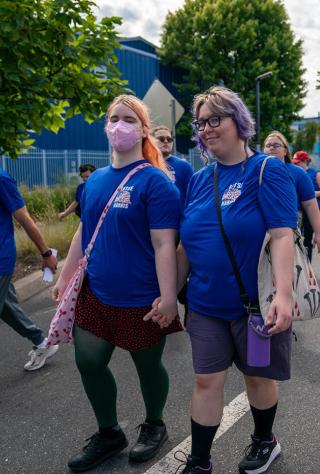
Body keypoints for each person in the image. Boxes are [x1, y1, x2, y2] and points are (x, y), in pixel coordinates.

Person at [166, 86, 297, 474]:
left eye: (215, 119)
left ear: (239, 122)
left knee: (257, 377)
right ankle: (200, 462)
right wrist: (168, 295)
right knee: (207, 380)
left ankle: (264, 441)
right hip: (205, 305)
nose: (206, 128)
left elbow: (282, 234)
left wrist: (285, 295)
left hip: (253, 307)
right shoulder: (199, 180)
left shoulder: (266, 171)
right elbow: (185, 247)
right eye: (200, 122)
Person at [53, 95, 182, 472]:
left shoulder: (156, 182)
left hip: (142, 299)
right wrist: (64, 276)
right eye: (114, 118)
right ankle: (109, 433)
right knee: (88, 362)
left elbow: (164, 244)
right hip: (96, 295)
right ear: (106, 125)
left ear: (143, 130)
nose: (119, 125)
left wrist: (169, 296)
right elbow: (83, 231)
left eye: (129, 119)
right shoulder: (94, 183)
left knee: (148, 368)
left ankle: (154, 424)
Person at [0, 170, 58, 370]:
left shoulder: (1, 178)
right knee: (7, 307)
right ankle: (41, 342)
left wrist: (46, 253)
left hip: (1, 259)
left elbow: (23, 217)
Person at [263, 131, 320, 254]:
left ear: (285, 151)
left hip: (287, 227)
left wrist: (319, 234)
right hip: (261, 227)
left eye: (276, 145)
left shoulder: (298, 173)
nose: (271, 148)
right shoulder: (256, 171)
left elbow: (310, 204)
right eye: (268, 145)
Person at [292, 151, 320, 260]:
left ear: (305, 161)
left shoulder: (316, 174)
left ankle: (307, 266)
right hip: (298, 210)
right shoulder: (294, 173)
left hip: (313, 209)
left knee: (307, 239)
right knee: (297, 238)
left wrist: (316, 193)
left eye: (297, 162)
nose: (295, 165)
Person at [151, 125, 194, 208]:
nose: (166, 141)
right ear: (152, 142)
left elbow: (193, 196)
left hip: (178, 218)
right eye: (161, 139)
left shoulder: (184, 166)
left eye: (169, 139)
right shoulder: (146, 165)